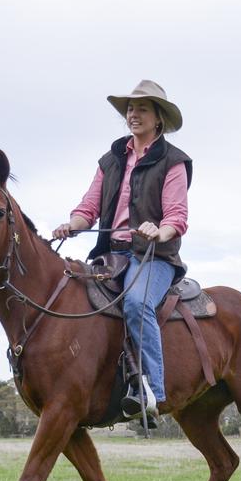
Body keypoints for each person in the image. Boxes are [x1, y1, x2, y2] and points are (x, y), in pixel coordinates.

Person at [52, 80, 192, 419]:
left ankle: (152, 393)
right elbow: (89, 207)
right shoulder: (112, 158)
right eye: (130, 109)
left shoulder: (174, 161)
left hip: (153, 256)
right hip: (111, 255)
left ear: (159, 118)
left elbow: (178, 216)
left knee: (136, 302)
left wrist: (159, 231)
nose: (134, 114)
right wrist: (72, 223)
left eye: (142, 108)